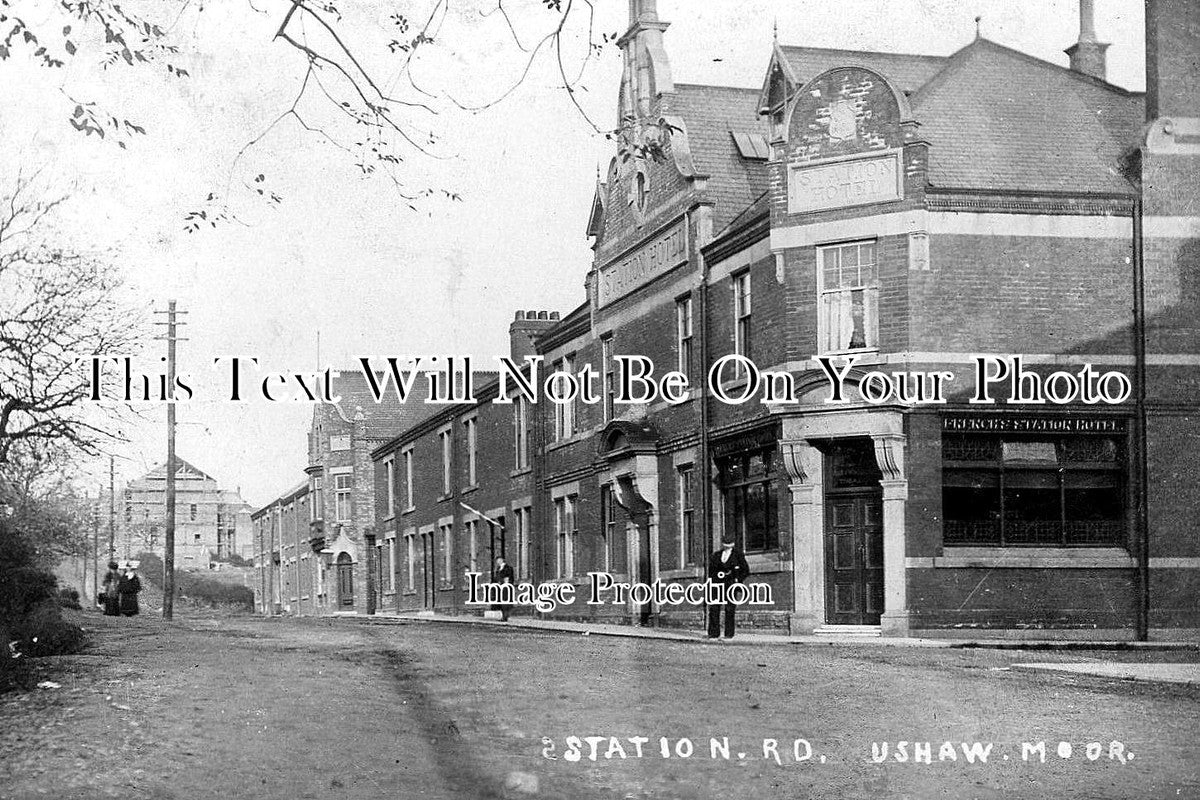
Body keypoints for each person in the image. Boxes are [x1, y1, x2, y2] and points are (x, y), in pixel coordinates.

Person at [707, 535, 749, 640]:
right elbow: (711, 571)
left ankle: (729, 634)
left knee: (729, 609)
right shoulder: (716, 555)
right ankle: (713, 633)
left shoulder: (738, 555)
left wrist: (737, 580)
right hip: (717, 586)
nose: (727, 546)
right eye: (725, 543)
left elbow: (745, 570)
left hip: (731, 585)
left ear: (733, 544)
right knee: (714, 608)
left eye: (729, 544)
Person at [492, 556, 515, 622]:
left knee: (505, 601)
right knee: (501, 602)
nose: (498, 562)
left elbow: (510, 578)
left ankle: (505, 616)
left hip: (506, 588)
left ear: (502, 560)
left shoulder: (508, 568)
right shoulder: (498, 568)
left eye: (499, 560)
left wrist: (506, 582)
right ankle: (503, 616)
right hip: (499, 588)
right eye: (497, 561)